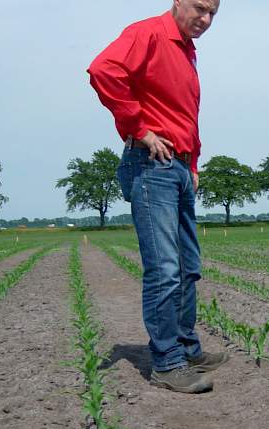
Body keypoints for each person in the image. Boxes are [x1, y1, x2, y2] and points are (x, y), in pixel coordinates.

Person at [88, 0, 228, 393]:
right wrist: (140, 128)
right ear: (178, 1)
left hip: (179, 168)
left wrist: (194, 164)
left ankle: (186, 347)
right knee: (165, 267)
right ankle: (167, 363)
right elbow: (103, 71)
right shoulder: (148, 33)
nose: (205, 19)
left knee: (188, 266)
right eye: (200, 8)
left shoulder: (186, 50)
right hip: (152, 166)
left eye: (213, 13)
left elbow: (186, 113)